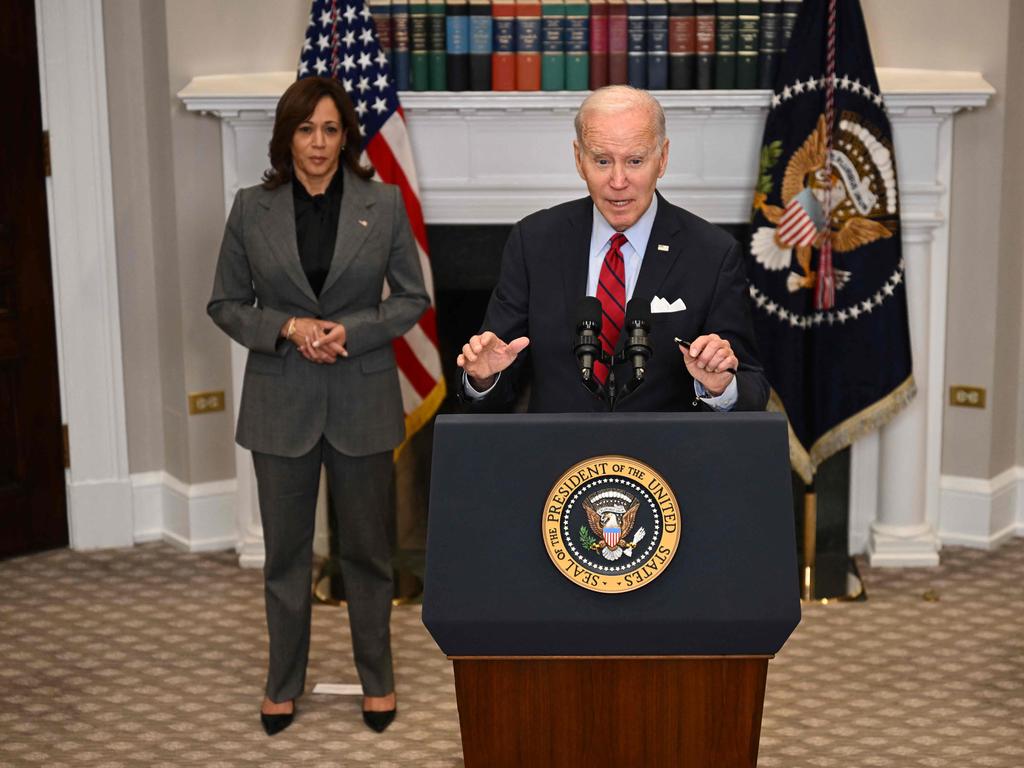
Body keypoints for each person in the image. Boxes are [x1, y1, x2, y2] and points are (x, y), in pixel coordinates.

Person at [208, 76, 428, 735]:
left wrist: (350, 331)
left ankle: (377, 679)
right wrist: (288, 328)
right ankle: (282, 684)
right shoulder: (252, 208)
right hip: (281, 405)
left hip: (361, 398)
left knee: (368, 552)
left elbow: (412, 298)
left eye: (331, 130)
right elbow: (225, 303)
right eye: (306, 129)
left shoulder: (383, 204)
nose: (319, 143)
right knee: (286, 556)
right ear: (287, 137)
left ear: (347, 137)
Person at [458, 85, 769, 412]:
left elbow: (753, 387)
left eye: (635, 160)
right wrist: (483, 380)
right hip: (558, 457)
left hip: (665, 459)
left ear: (661, 159)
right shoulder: (534, 241)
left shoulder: (712, 253)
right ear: (579, 159)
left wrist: (721, 386)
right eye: (602, 160)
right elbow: (496, 373)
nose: (618, 181)